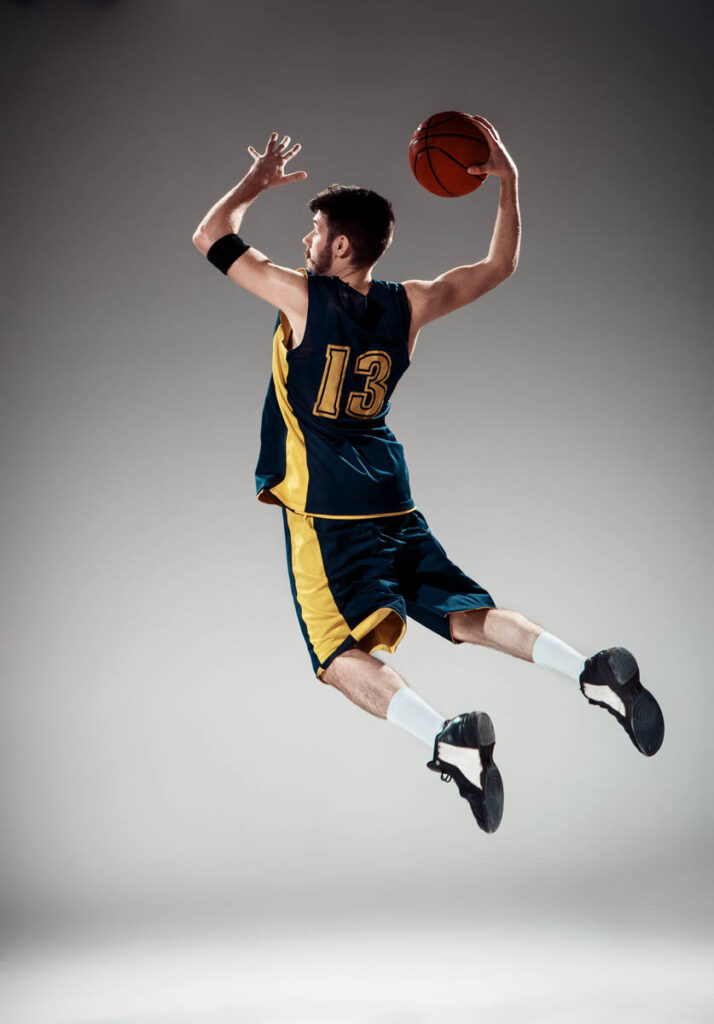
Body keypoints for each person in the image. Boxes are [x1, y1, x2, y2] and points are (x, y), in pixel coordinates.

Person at [192, 118, 664, 834]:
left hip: (326, 511)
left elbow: (210, 235)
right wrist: (510, 182)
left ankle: (447, 736)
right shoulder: (408, 305)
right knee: (464, 610)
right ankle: (590, 671)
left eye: (314, 230)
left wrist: (254, 183)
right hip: (392, 495)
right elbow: (497, 266)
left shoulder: (301, 299)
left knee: (334, 654)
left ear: (340, 245)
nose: (305, 242)